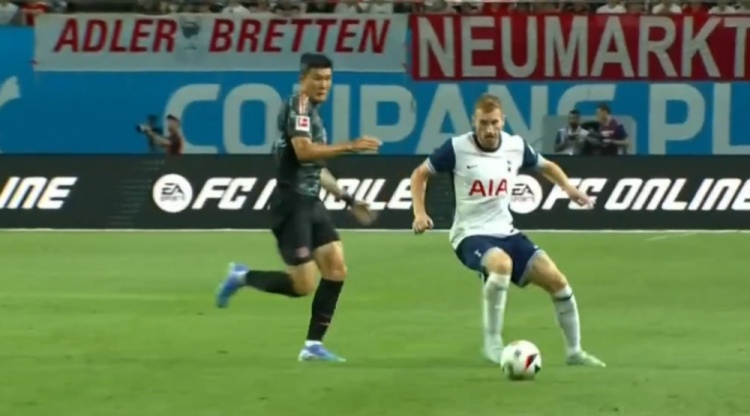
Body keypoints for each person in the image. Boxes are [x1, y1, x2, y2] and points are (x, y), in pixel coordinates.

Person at [409, 94, 606, 368]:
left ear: (503, 121)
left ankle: (575, 352)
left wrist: (569, 189)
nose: (489, 130)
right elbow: (419, 174)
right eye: (483, 123)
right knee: (501, 264)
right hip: (470, 233)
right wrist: (419, 213)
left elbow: (547, 166)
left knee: (559, 282)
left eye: (494, 122)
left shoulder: (515, 146)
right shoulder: (456, 148)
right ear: (474, 122)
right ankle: (492, 344)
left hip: (507, 231)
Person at [214, 53, 381, 362]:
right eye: (317, 78)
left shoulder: (313, 114)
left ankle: (313, 346)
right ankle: (242, 277)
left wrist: (348, 199)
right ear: (302, 79)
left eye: (328, 79)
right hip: (291, 205)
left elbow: (315, 167)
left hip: (311, 202)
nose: (323, 85)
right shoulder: (298, 106)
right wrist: (350, 145)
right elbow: (303, 152)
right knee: (303, 284)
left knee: (336, 268)